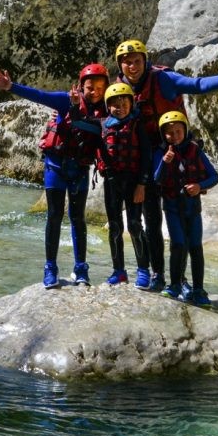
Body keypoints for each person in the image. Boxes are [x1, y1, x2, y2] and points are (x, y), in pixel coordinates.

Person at [114, 39, 218, 291]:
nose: (132, 66)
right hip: (148, 158)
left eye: (136, 61)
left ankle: (183, 280)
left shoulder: (163, 80)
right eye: (126, 62)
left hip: (175, 154)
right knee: (151, 221)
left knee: (183, 225)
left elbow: (196, 85)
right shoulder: (119, 88)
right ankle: (158, 274)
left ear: (145, 61)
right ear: (120, 66)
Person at [0, 64, 108, 288]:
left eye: (101, 88)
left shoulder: (108, 109)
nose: (96, 92)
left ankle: (81, 268)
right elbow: (39, 95)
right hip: (56, 166)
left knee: (78, 218)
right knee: (54, 216)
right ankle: (50, 268)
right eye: (90, 87)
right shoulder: (65, 100)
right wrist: (10, 86)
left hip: (80, 169)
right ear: (81, 87)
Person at [153, 111, 218, 307]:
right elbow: (157, 179)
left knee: (195, 247)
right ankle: (174, 285)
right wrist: (165, 162)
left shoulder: (195, 150)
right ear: (163, 134)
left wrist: (200, 186)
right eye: (169, 133)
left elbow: (214, 177)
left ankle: (199, 289)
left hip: (192, 208)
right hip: (172, 207)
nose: (174, 136)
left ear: (185, 130)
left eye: (178, 131)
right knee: (178, 244)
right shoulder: (162, 152)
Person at [97, 82, 152, 288]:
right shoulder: (102, 125)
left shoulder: (138, 126)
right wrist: (75, 103)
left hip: (133, 182)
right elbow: (77, 121)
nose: (120, 107)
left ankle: (144, 270)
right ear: (107, 106)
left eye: (124, 102)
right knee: (114, 228)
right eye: (114, 104)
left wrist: (142, 184)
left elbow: (146, 157)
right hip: (111, 182)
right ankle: (119, 271)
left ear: (132, 103)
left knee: (135, 225)